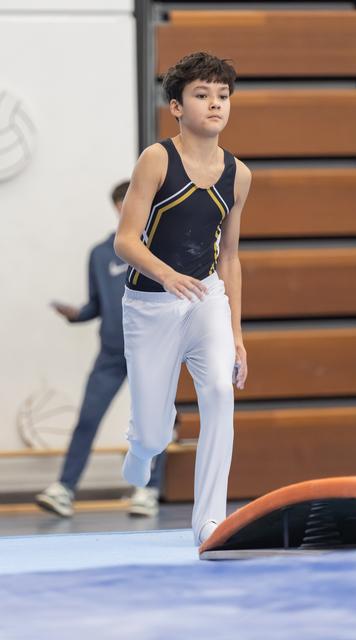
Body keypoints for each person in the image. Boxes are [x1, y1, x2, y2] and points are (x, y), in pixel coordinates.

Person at [114, 52, 252, 545]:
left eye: (223, 96)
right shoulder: (156, 159)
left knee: (218, 391)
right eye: (202, 95)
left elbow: (229, 258)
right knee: (154, 433)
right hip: (151, 306)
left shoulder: (239, 174)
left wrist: (236, 334)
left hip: (205, 299)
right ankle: (143, 444)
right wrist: (168, 274)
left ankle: (209, 520)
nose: (215, 104)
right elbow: (125, 241)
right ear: (176, 106)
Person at [35, 182, 166, 518]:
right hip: (111, 353)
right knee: (87, 418)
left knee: (151, 422)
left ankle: (147, 490)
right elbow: (95, 304)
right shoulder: (100, 253)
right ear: (117, 207)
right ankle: (64, 488)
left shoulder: (162, 246)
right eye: (123, 202)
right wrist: (76, 314)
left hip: (150, 350)